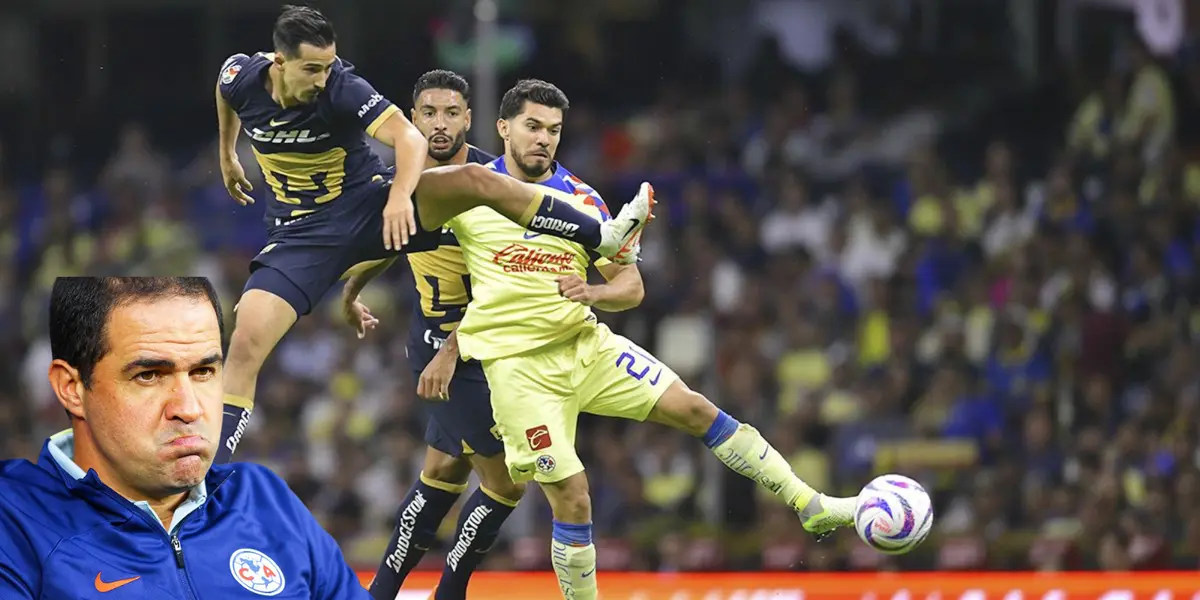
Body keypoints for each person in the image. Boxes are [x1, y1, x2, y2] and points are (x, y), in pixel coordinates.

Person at [427, 79, 857, 599]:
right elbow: (399, 228)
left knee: (695, 408)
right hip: (519, 371)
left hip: (586, 345)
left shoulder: (583, 199)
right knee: (574, 498)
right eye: (533, 127)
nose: (543, 139)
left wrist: (592, 291)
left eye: (554, 131)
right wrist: (365, 290)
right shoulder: (470, 190)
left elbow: (631, 287)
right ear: (503, 128)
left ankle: (810, 505)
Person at [213, 5, 651, 463]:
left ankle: (602, 235)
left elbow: (409, 139)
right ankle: (212, 476)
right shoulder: (239, 76)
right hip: (299, 237)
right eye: (311, 69)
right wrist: (228, 152)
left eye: (328, 66)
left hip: (370, 207)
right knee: (245, 345)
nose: (323, 78)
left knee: (476, 180)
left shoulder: (342, 87)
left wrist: (400, 196)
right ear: (278, 63)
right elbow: (226, 95)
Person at [0, 277, 369, 599]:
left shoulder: (265, 500)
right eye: (149, 375)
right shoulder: (15, 519)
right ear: (72, 388)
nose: (189, 408)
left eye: (204, 371)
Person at [353, 70, 523, 600]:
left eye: (452, 113)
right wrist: (348, 292)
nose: (440, 123)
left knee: (444, 471)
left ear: (469, 119)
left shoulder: (491, 181)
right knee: (506, 483)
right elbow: (386, 244)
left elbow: (508, 281)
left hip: (482, 343)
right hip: (437, 345)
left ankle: (381, 591)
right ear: (413, 116)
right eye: (429, 112)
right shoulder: (402, 179)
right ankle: (450, 592)